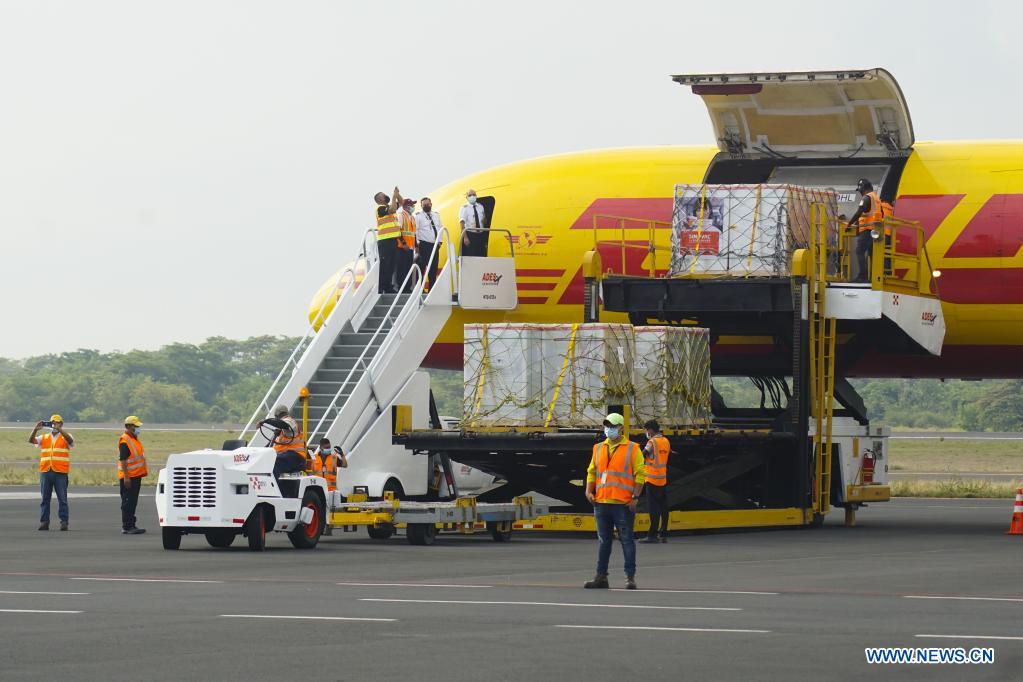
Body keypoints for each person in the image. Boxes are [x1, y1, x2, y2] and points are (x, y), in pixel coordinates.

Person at [584, 413, 645, 590]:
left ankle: (630, 577)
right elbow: (592, 471)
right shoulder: (598, 448)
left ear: (621, 428)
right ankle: (601, 577)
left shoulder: (633, 448)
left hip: (623, 504)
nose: (608, 429)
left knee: (627, 540)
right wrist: (588, 490)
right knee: (604, 541)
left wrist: (635, 498)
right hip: (601, 502)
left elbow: (640, 474)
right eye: (606, 425)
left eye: (612, 426)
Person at [29, 414, 74, 531]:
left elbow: (71, 441)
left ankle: (64, 522)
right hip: (46, 471)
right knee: (45, 499)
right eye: (53, 423)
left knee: (62, 499)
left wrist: (60, 429)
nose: (54, 425)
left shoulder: (66, 436)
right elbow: (31, 440)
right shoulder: (44, 437)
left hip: (60, 472)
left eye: (57, 423)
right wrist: (35, 429)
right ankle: (44, 522)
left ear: (61, 424)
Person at [847, 179, 884, 283]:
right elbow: (880, 214)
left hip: (867, 230)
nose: (860, 192)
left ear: (863, 188)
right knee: (872, 254)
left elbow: (859, 212)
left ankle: (862, 276)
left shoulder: (867, 198)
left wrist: (849, 224)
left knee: (859, 251)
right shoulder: (876, 198)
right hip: (876, 231)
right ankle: (873, 278)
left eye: (859, 190)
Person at [260, 405, 307, 485]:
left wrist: (266, 421)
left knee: (274, 462)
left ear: (277, 415)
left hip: (296, 456)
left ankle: (276, 487)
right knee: (266, 460)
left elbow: (284, 424)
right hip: (287, 456)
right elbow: (270, 445)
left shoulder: (289, 421)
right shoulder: (281, 431)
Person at [641, 419, 670, 544]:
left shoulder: (651, 442)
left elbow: (643, 453)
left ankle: (652, 535)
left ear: (651, 430)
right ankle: (663, 534)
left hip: (651, 479)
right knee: (663, 506)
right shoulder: (666, 441)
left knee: (653, 508)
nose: (646, 433)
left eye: (647, 430)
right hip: (662, 479)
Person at [118, 416, 148, 535]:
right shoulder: (125, 440)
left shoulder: (134, 438)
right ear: (128, 427)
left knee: (132, 501)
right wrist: (126, 477)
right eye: (135, 426)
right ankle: (127, 526)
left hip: (136, 475)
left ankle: (131, 524)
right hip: (129, 477)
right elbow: (123, 460)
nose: (137, 428)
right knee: (127, 502)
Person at [375, 188, 403, 293]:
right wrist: (393, 197)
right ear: (379, 200)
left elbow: (401, 202)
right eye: (383, 195)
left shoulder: (389, 206)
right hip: (384, 241)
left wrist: (397, 194)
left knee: (391, 265)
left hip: (393, 240)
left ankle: (388, 287)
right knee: (385, 265)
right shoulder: (380, 209)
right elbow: (393, 209)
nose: (385, 196)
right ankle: (381, 287)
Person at [414, 196, 444, 290]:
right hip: (424, 245)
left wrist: (440, 242)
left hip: (435, 246)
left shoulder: (436, 215)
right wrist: (417, 245)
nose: (426, 206)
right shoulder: (418, 216)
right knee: (422, 268)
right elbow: (416, 231)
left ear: (431, 204)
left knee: (433, 269)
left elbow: (440, 228)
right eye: (424, 205)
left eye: (428, 204)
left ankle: (432, 290)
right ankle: (420, 290)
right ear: (421, 206)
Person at [395, 198, 418, 292]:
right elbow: (398, 231)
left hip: (410, 247)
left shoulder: (412, 217)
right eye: (411, 205)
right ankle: (402, 288)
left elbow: (413, 233)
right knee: (402, 268)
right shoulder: (401, 215)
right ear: (405, 206)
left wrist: (416, 245)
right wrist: (404, 243)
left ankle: (407, 288)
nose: (413, 207)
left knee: (408, 268)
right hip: (402, 247)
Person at [459, 189, 488, 257]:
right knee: (471, 255)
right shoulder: (464, 208)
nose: (472, 196)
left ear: (476, 196)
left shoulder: (480, 207)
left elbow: (483, 220)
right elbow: (462, 223)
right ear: (466, 197)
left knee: (481, 254)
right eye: (470, 195)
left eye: (474, 195)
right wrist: (465, 237)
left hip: (481, 234)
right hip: (470, 234)